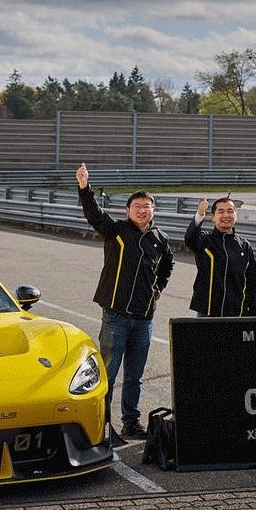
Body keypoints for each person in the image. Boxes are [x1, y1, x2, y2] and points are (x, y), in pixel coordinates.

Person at [76, 163, 174, 440]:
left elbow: (168, 264)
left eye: (147, 206)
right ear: (128, 211)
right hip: (116, 315)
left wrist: (159, 288)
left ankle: (131, 421)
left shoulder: (160, 238)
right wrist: (84, 187)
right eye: (137, 206)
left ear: (153, 210)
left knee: (135, 376)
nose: (143, 210)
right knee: (107, 371)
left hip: (144, 318)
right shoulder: (116, 231)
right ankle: (102, 422)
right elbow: (93, 214)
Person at [184, 196, 256, 317]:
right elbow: (190, 238)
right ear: (213, 217)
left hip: (236, 314)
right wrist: (200, 213)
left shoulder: (245, 246)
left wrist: (253, 316)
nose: (226, 215)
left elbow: (253, 284)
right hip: (207, 313)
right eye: (221, 211)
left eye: (230, 211)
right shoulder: (204, 241)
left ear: (236, 215)